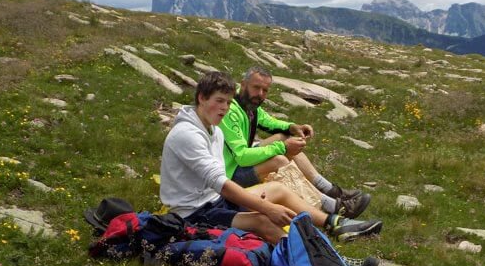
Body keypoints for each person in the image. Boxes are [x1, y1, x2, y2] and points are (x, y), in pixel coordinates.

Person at [160, 71, 382, 247]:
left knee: (278, 188)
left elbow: (268, 122)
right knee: (265, 218)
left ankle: (336, 222)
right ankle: (322, 260)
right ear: (201, 97)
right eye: (219, 101)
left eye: (227, 102)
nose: (224, 108)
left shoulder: (215, 127)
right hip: (194, 213)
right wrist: (266, 207)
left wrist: (289, 128)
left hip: (215, 199)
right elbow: (226, 179)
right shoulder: (188, 135)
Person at [219, 66, 372, 219]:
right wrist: (283, 147)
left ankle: (330, 190)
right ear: (243, 84)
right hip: (227, 178)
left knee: (283, 138)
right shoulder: (230, 110)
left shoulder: (247, 103)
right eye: (256, 87)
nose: (260, 94)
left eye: (265, 90)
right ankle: (330, 206)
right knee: (279, 159)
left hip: (236, 165)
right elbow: (242, 156)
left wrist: (292, 127)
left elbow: (267, 122)